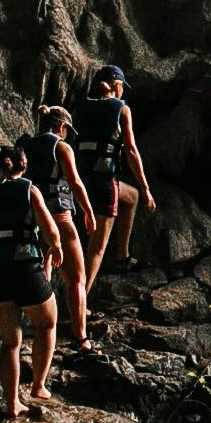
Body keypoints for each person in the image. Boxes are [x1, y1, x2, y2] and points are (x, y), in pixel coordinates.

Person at [0, 144, 64, 423]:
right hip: (25, 269)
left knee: (10, 342)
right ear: (23, 165)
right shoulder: (29, 190)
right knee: (46, 323)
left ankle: (12, 404)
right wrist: (55, 248)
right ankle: (38, 385)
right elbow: (50, 230)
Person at [20, 104, 100, 346]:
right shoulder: (62, 147)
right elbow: (75, 182)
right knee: (77, 279)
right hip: (60, 218)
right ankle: (81, 337)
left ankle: (39, 328)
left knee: (43, 275)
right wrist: (89, 211)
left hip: (33, 221)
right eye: (67, 130)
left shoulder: (25, 147)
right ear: (61, 126)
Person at [72, 65, 156, 289]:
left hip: (79, 179)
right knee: (96, 249)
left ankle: (122, 256)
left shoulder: (81, 106)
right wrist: (147, 188)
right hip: (104, 182)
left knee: (131, 196)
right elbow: (131, 150)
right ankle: (81, 304)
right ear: (116, 84)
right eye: (122, 87)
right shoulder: (121, 109)